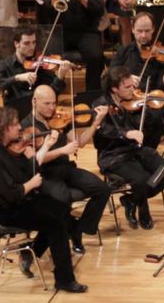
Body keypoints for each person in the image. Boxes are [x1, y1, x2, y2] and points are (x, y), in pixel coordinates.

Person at [0, 106, 87, 294]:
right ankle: (64, 279)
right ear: (4, 128)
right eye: (14, 125)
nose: (20, 127)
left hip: (26, 201)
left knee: (62, 209)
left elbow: (28, 170)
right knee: (56, 225)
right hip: (11, 212)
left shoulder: (7, 149)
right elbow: (12, 194)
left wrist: (45, 146)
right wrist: (31, 184)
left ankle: (31, 250)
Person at [25, 84, 110, 250]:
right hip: (46, 175)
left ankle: (78, 229)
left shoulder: (61, 119)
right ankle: (66, 232)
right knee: (62, 200)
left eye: (54, 103)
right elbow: (33, 160)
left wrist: (95, 123)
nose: (52, 108)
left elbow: (80, 143)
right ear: (34, 101)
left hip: (66, 169)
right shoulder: (27, 126)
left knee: (103, 189)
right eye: (47, 104)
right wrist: (61, 150)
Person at [92, 64, 164, 230]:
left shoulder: (132, 103)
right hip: (113, 156)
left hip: (134, 151)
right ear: (114, 89)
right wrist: (126, 134)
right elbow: (104, 130)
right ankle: (143, 210)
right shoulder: (100, 105)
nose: (133, 89)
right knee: (140, 178)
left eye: (133, 85)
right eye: (127, 87)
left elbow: (150, 123)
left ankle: (131, 200)